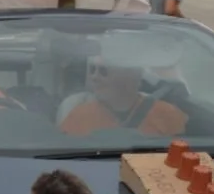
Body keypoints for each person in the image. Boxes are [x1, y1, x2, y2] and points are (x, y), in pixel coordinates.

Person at [58, 35, 188, 138]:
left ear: (129, 76)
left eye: (103, 71)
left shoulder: (168, 115)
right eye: (92, 70)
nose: (94, 77)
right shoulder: (78, 115)